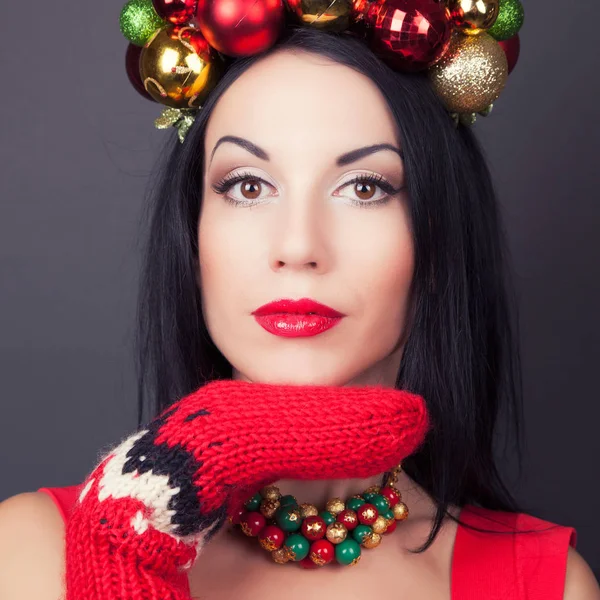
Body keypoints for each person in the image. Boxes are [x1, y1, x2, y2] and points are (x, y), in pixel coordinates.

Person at [0, 25, 598, 600]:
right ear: (193, 233)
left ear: (438, 241)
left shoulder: (542, 584)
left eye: (365, 188)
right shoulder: (26, 554)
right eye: (248, 186)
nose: (298, 247)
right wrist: (122, 547)